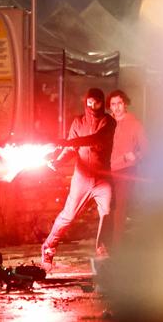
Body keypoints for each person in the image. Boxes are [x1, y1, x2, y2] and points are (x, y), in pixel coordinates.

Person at [42, 88, 116, 270]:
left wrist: (67, 142)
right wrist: (58, 161)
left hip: (103, 180)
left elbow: (95, 139)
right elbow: (70, 149)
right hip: (82, 178)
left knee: (107, 213)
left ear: (102, 102)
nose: (92, 106)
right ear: (85, 102)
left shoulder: (109, 121)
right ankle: (48, 250)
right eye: (89, 102)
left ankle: (103, 252)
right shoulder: (78, 122)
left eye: (97, 102)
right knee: (68, 216)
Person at [107, 90, 148, 248]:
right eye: (113, 104)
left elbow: (146, 149)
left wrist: (135, 156)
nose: (116, 108)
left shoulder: (134, 124)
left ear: (125, 104)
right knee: (107, 208)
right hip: (107, 171)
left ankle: (116, 246)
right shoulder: (107, 122)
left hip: (125, 171)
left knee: (120, 209)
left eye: (119, 103)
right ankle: (105, 242)